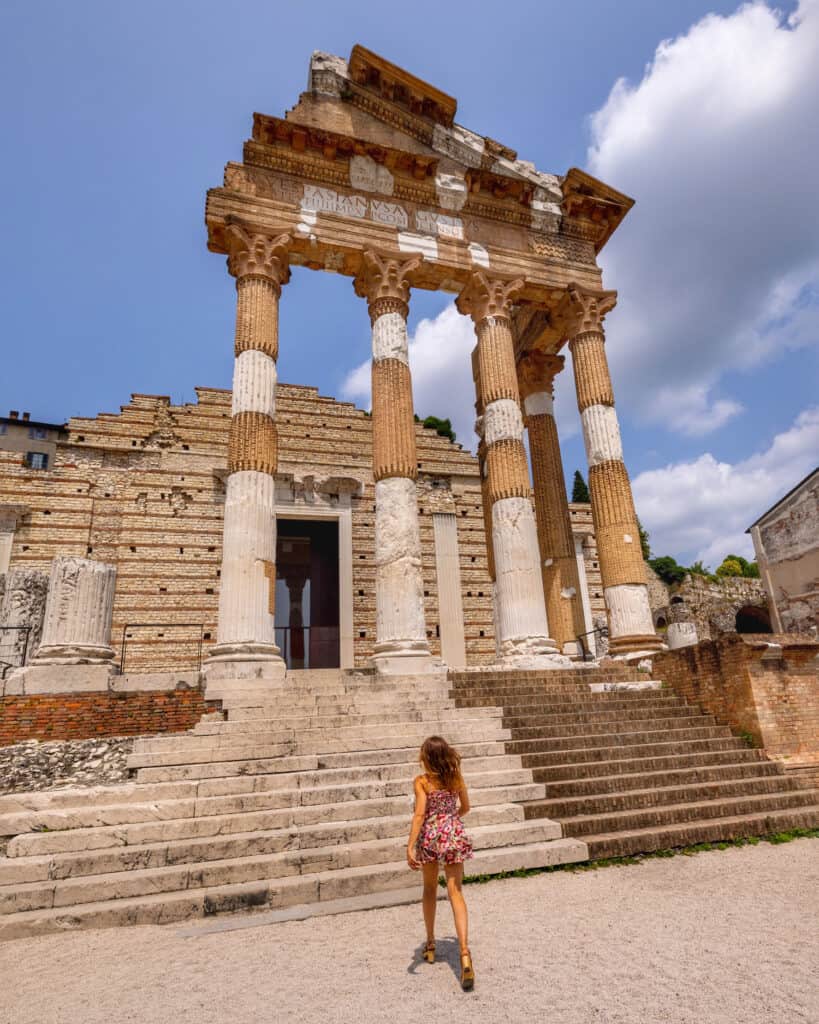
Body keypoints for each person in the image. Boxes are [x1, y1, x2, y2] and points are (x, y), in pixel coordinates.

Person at [406, 734, 475, 990]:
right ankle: (465, 953)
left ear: (426, 757)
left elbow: (420, 814)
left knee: (430, 889)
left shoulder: (422, 782)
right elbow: (466, 807)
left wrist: (410, 845)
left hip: (430, 836)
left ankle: (431, 944)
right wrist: (450, 820)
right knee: (456, 892)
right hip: (454, 833)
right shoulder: (456, 778)